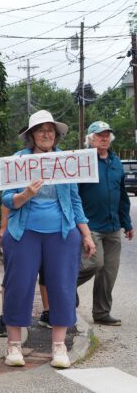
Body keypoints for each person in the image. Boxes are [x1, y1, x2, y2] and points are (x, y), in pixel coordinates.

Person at [1, 110, 95, 369]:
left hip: (62, 234)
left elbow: (75, 202)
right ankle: (14, 345)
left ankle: (59, 346)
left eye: (50, 130)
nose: (46, 134)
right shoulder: (18, 161)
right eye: (40, 130)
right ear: (31, 135)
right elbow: (7, 199)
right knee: (18, 286)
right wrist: (26, 194)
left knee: (63, 288)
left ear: (56, 135)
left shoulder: (66, 161)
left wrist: (86, 235)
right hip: (23, 233)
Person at [76, 121, 134, 326]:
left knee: (109, 272)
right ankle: (64, 288)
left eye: (107, 135)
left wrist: (127, 223)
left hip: (113, 226)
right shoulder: (82, 162)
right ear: (90, 139)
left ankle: (101, 313)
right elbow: (74, 195)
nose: (104, 138)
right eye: (99, 135)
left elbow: (122, 196)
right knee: (94, 263)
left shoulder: (116, 162)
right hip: (90, 224)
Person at [0, 205, 51, 338]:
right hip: (21, 228)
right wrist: (4, 226)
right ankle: (5, 316)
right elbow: (7, 196)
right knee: (15, 276)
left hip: (52, 229)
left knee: (47, 272)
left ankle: (48, 312)